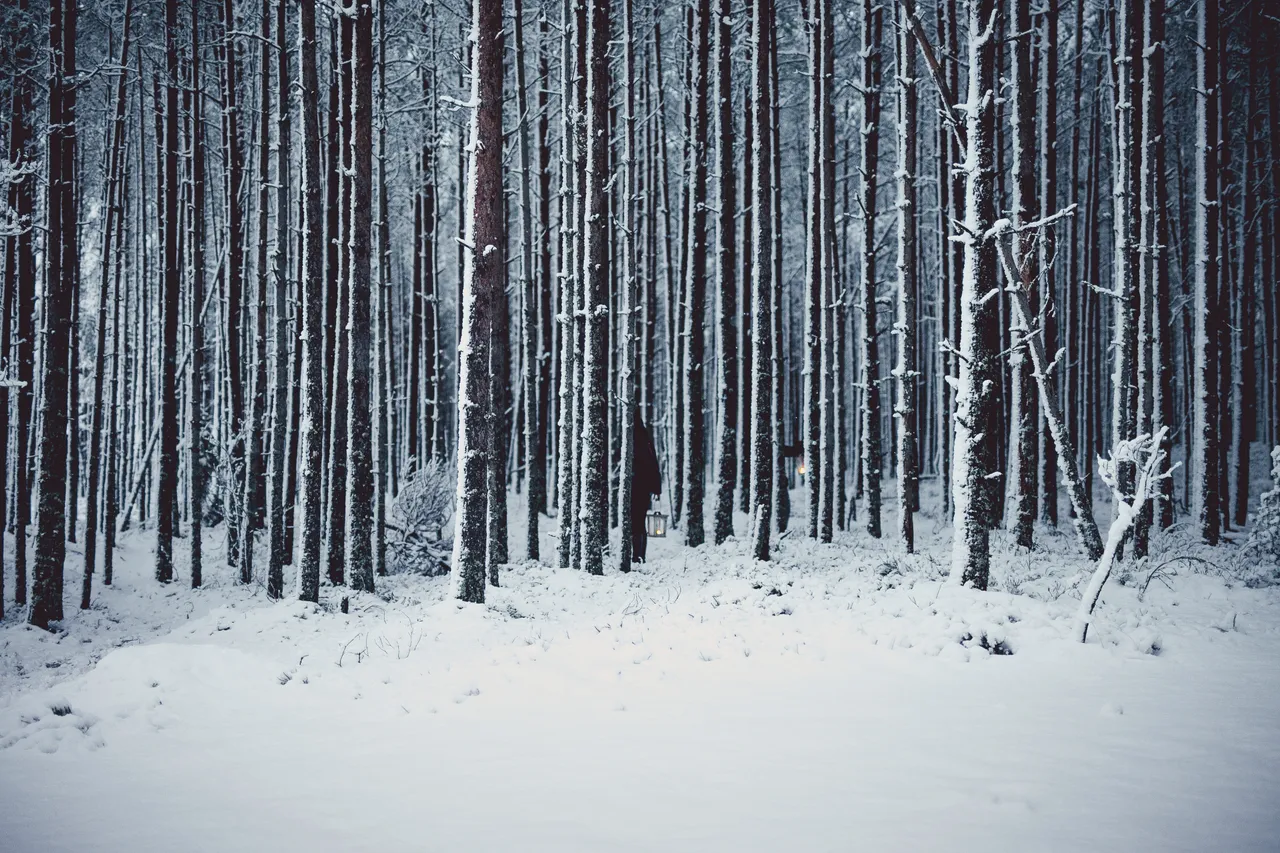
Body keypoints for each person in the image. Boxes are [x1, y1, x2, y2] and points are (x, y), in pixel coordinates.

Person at [631, 409, 662, 563]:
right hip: (642, 486)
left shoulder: (635, 438)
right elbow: (653, 462)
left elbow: (650, 463)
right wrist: (656, 488)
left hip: (637, 486)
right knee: (638, 522)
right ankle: (638, 556)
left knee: (635, 522)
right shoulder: (645, 436)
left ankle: (637, 557)